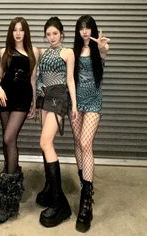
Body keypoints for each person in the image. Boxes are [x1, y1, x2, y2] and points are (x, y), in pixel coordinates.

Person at [0, 17, 39, 225]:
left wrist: (34, 102)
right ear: (11, 32)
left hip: (22, 99)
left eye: (21, 30)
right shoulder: (3, 51)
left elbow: (33, 79)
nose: (18, 33)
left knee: (10, 138)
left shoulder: (34, 52)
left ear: (26, 32)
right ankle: (9, 182)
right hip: (5, 97)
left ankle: (8, 197)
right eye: (15, 30)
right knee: (5, 140)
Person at [35, 16, 78, 227]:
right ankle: (50, 189)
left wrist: (75, 105)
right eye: (48, 34)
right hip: (43, 97)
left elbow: (70, 79)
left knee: (45, 142)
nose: (51, 37)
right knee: (45, 145)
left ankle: (60, 202)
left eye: (55, 33)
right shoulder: (42, 52)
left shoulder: (68, 52)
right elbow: (38, 75)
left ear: (61, 33)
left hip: (59, 96)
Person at [70, 14, 110, 232]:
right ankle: (84, 178)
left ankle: (86, 197)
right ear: (78, 31)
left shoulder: (98, 49)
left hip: (94, 101)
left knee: (86, 144)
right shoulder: (73, 52)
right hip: (76, 102)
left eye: (88, 28)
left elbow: (104, 53)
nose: (85, 32)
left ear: (93, 30)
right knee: (77, 142)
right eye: (81, 28)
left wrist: (102, 48)